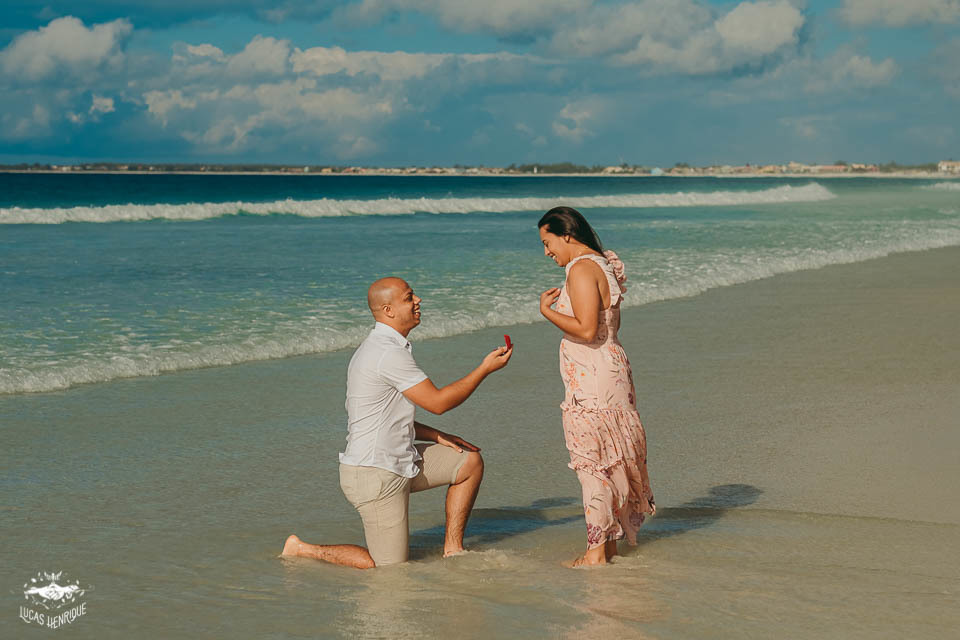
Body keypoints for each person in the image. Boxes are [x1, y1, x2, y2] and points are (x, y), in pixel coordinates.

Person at [282, 277, 512, 568]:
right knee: (388, 570)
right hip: (374, 474)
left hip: (402, 459)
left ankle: (453, 548)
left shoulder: (389, 346)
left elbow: (386, 417)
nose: (418, 301)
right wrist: (485, 369)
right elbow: (439, 403)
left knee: (468, 461)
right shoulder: (386, 353)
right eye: (409, 297)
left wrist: (437, 436)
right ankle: (302, 549)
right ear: (388, 310)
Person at [537, 206, 655, 567]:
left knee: (592, 464)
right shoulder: (602, 264)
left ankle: (594, 554)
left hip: (594, 377)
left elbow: (587, 330)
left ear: (567, 235)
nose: (547, 252)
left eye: (548, 242)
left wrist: (547, 313)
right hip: (610, 369)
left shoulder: (582, 269)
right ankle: (608, 545)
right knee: (611, 458)